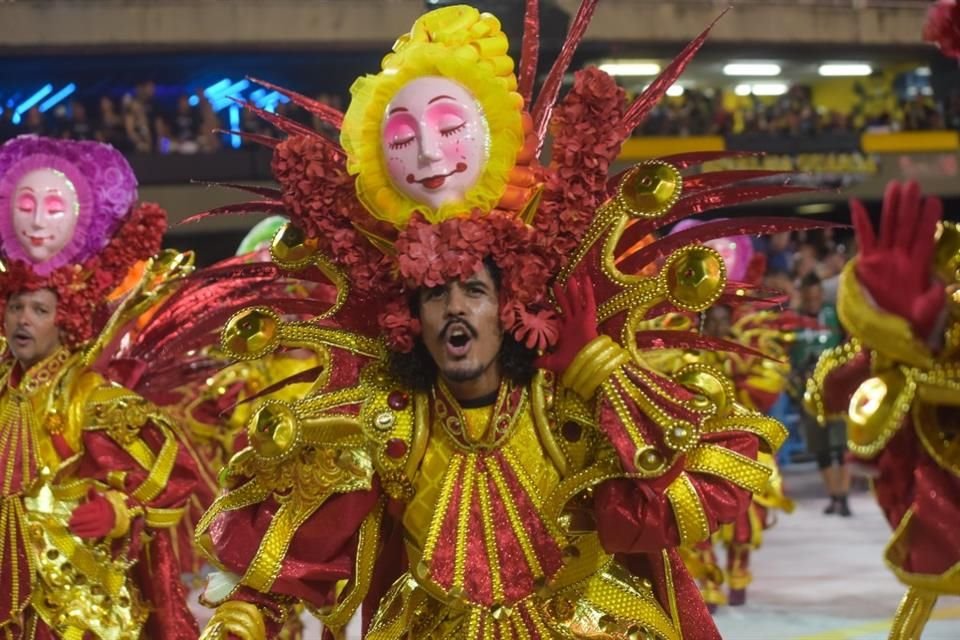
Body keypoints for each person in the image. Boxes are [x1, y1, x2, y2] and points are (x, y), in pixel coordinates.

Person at [195, 4, 799, 639]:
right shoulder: (393, 421)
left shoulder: (561, 406)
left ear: (512, 302)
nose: (454, 307)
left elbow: (709, 483)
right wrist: (241, 617)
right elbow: (293, 547)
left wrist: (597, 370)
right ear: (409, 322)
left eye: (475, 291)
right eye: (434, 296)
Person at [0, 135, 201, 638]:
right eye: (16, 307)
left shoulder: (87, 394)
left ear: (64, 321)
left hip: (64, 600)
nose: (24, 320)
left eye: (39, 310)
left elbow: (171, 470)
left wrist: (116, 510)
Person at [806, 181, 960, 640]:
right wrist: (891, 337)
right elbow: (827, 395)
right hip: (919, 470)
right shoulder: (882, 354)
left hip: (936, 462)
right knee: (923, 585)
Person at [792, 272, 850, 516]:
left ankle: (844, 497)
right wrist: (797, 372)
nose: (813, 301)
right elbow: (786, 352)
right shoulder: (794, 319)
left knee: (843, 444)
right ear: (803, 297)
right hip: (808, 390)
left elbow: (848, 341)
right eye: (809, 298)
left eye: (817, 296)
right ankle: (834, 495)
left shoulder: (834, 313)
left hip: (836, 387)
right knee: (821, 446)